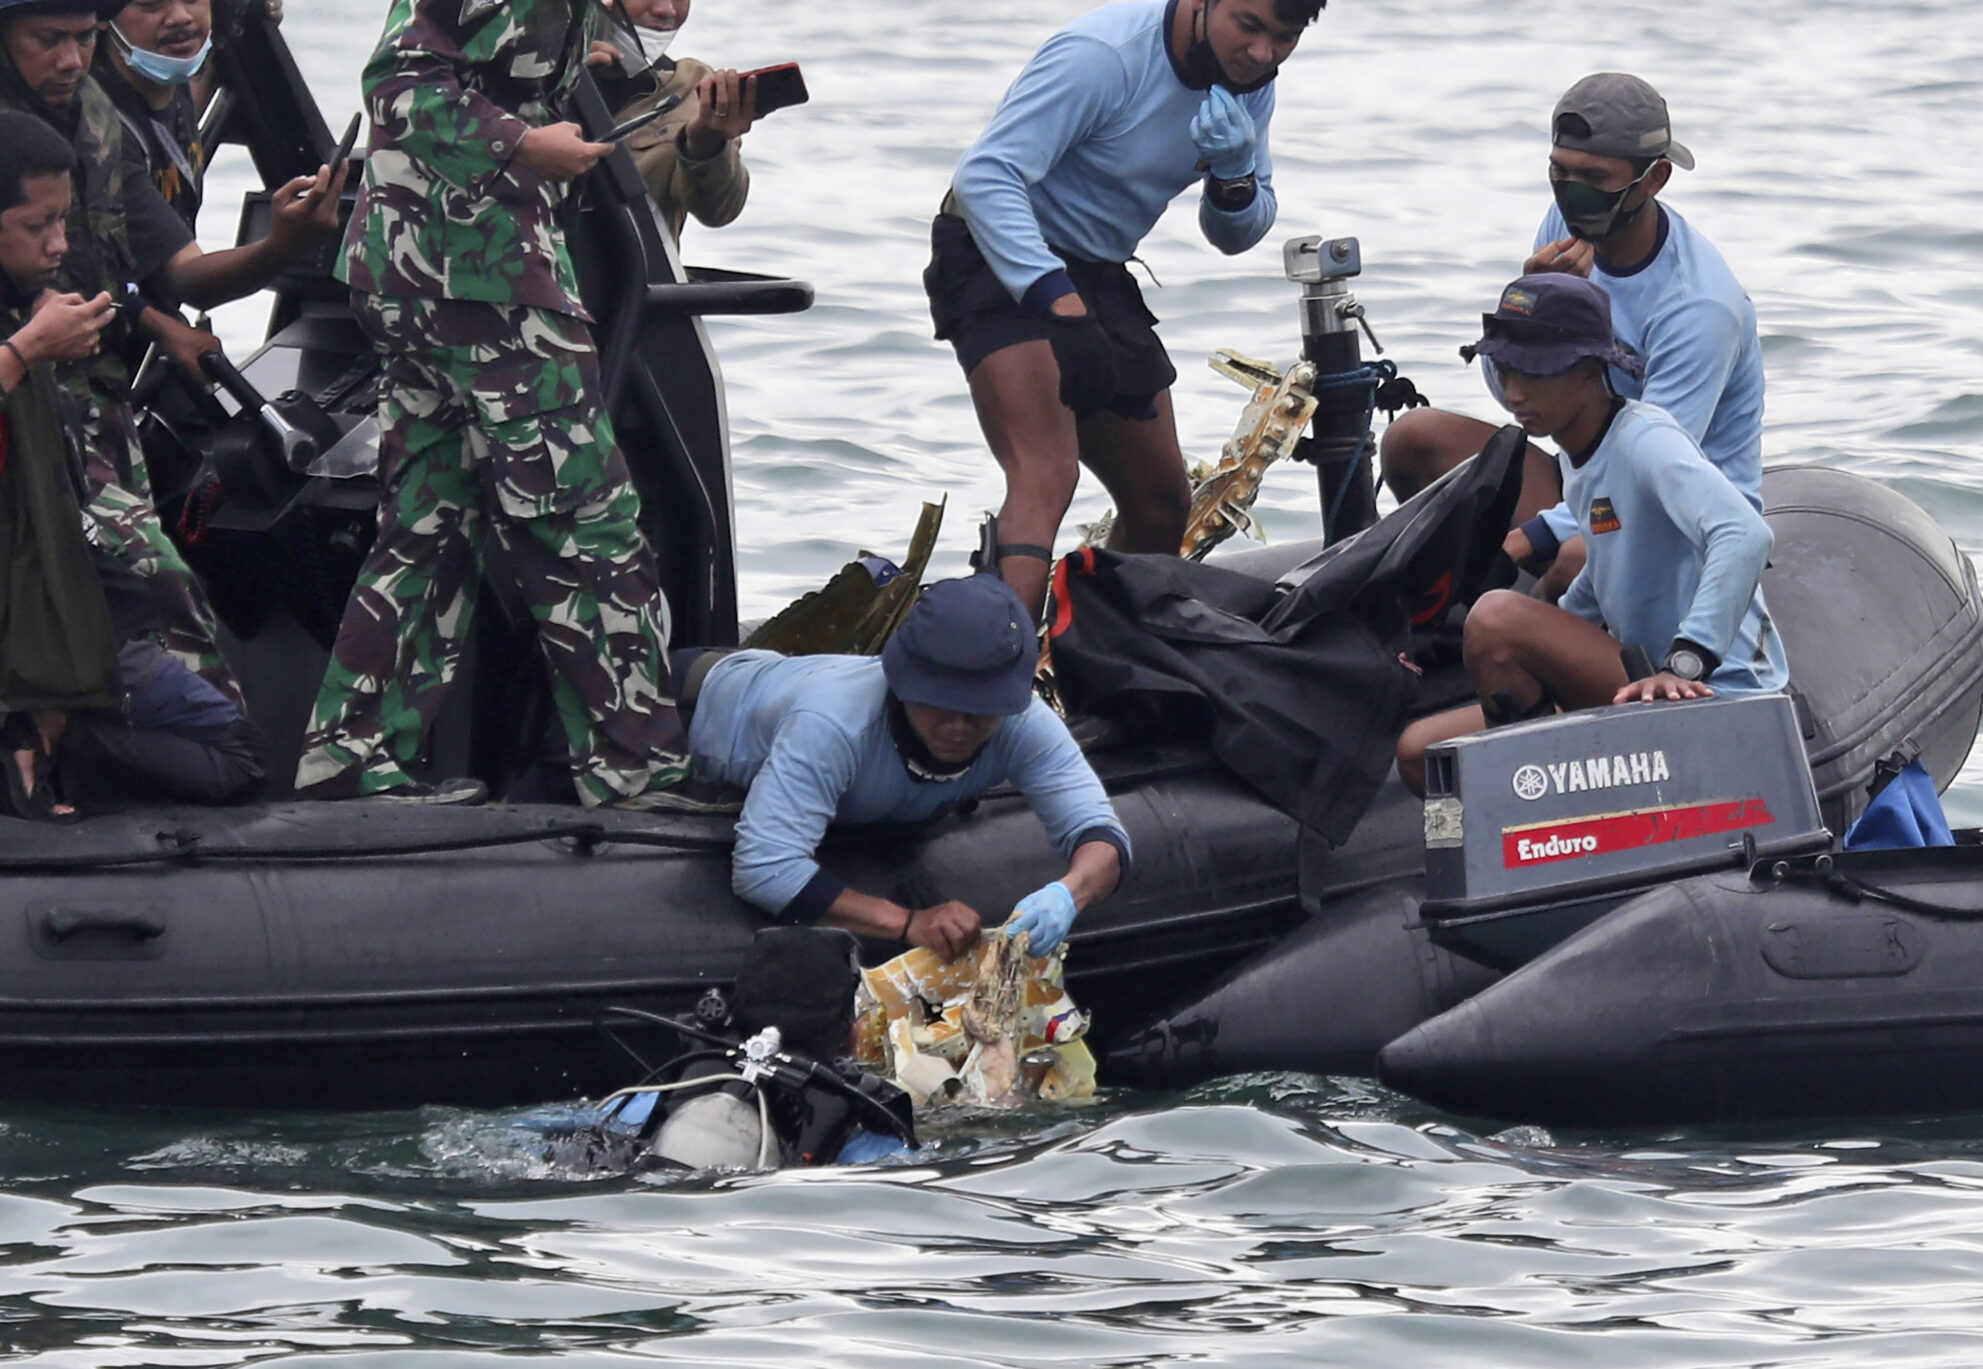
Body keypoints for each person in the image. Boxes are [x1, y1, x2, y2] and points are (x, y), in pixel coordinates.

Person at [296, 0, 692, 807]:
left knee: (430, 524)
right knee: (586, 519)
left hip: (418, 272)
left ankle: (350, 754)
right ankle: (634, 770)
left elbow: (477, 59)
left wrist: (572, 75)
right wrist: (523, 142)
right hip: (478, 273)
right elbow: (399, 85)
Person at [926, 0, 1324, 618]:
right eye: (1248, 25)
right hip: (995, 249)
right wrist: (1054, 300)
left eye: (1286, 37)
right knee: (1047, 474)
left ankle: (1088, 663)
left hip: (1098, 270)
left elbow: (1235, 234)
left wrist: (1235, 176)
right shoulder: (1103, 57)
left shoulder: (1252, 82)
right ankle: (993, 679)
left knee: (1161, 503)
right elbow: (986, 175)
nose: (1263, 53)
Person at [0, 0, 343, 709]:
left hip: (95, 387)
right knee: (154, 584)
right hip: (25, 389)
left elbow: (173, 265)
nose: (69, 60)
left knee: (136, 582)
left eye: (83, 39)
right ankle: (229, 756)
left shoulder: (97, 120)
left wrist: (282, 245)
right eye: (47, 41)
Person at [1393, 274, 1787, 795]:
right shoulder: (1580, 456)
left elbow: (1745, 535)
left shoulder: (1644, 441)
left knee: (1496, 616)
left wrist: (1685, 660)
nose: (1513, 392)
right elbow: (1607, 573)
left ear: (1587, 371)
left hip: (1715, 692)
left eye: (1535, 373)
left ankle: (1543, 808)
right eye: (1505, 369)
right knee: (1420, 753)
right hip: (1641, 672)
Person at [1380, 72, 1765, 598]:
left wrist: (1524, 540)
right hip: (1581, 473)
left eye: (1595, 178)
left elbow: (1655, 476)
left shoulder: (1698, 307)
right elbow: (1518, 397)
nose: (1572, 193)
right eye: (1558, 173)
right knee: (1414, 438)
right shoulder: (1565, 226)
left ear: (1653, 180)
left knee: (1583, 548)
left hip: (1677, 510)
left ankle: (1513, 631)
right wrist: (1527, 307)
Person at [0, 110, 262, 820]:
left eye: (66, 221)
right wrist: (25, 352)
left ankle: (64, 743)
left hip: (73, 618)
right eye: (37, 228)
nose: (59, 245)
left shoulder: (33, 312)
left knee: (234, 751)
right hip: (29, 632)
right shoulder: (26, 343)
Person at [683, 576, 1130, 961]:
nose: (958, 725)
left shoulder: (1022, 722)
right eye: (939, 701)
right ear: (902, 680)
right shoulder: (834, 725)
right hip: (692, 699)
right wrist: (905, 922)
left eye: (980, 708)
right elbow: (763, 868)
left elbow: (1100, 833)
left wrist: (1068, 895)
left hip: (789, 678)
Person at [586, 0, 753, 242]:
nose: (667, 10)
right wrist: (557, 74)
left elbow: (720, 210)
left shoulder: (689, 87)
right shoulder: (520, 67)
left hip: (632, 273)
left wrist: (706, 146)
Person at [93, 0, 213, 232]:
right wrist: (279, 245)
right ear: (102, 15)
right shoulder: (101, 130)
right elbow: (182, 267)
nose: (180, 17)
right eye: (150, 4)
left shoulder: (175, 77)